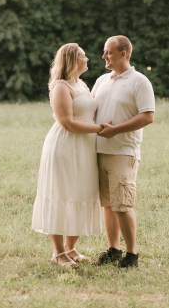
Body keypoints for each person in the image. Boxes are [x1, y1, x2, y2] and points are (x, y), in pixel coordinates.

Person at [31, 43, 108, 268]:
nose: (88, 59)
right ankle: (58, 252)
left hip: (85, 147)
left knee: (81, 191)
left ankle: (71, 247)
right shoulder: (60, 86)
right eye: (84, 56)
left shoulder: (81, 84)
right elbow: (67, 122)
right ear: (73, 59)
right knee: (61, 192)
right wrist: (100, 129)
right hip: (65, 145)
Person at [92, 35, 155, 268]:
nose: (104, 56)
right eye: (104, 51)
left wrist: (115, 130)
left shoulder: (140, 82)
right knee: (108, 204)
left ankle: (132, 254)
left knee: (123, 204)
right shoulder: (101, 80)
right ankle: (113, 249)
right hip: (99, 150)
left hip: (123, 152)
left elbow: (147, 116)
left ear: (123, 53)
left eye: (108, 52)